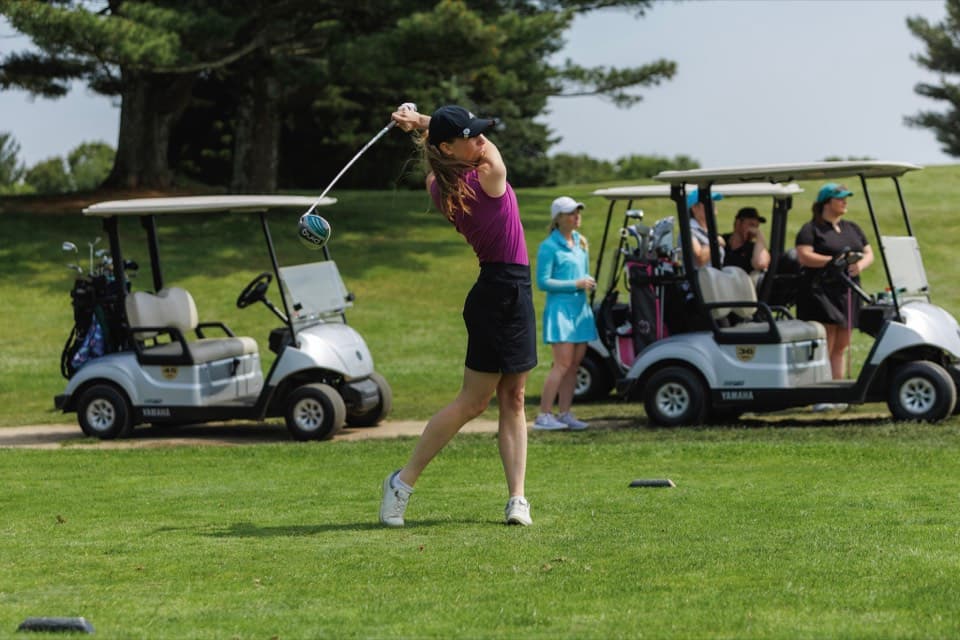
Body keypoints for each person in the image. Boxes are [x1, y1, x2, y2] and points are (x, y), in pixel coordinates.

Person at [379, 105, 537, 527]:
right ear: (448, 147)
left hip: (510, 291)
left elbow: (459, 147)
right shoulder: (488, 177)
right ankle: (401, 482)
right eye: (472, 135)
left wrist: (424, 125)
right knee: (474, 402)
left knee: (514, 397)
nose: (481, 139)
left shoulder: (439, 182)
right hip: (499, 291)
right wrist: (426, 122)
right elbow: (493, 155)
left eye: (481, 132)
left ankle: (517, 499)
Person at [795, 183, 874, 395]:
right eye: (840, 198)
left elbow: (868, 253)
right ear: (826, 203)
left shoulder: (852, 228)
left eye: (845, 198)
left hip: (848, 290)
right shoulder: (811, 229)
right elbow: (804, 255)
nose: (845, 201)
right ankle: (822, 393)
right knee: (826, 342)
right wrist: (833, 261)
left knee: (841, 345)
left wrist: (859, 265)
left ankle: (837, 392)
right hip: (821, 292)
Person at [533, 196, 598, 431]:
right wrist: (576, 284)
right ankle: (543, 416)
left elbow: (582, 274)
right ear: (558, 218)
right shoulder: (549, 246)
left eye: (577, 212)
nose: (576, 216)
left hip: (580, 310)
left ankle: (564, 413)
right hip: (560, 311)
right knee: (561, 364)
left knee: (573, 366)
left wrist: (586, 283)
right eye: (571, 212)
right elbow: (543, 282)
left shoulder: (582, 243)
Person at [722, 207, 771, 274]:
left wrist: (759, 235)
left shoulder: (754, 249)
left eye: (756, 227)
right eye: (751, 225)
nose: (753, 230)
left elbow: (761, 264)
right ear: (738, 223)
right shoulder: (721, 240)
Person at [687, 188, 725, 268]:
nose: (715, 210)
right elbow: (700, 259)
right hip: (700, 279)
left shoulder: (709, 230)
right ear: (694, 208)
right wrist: (716, 242)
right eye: (709, 203)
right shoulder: (689, 231)